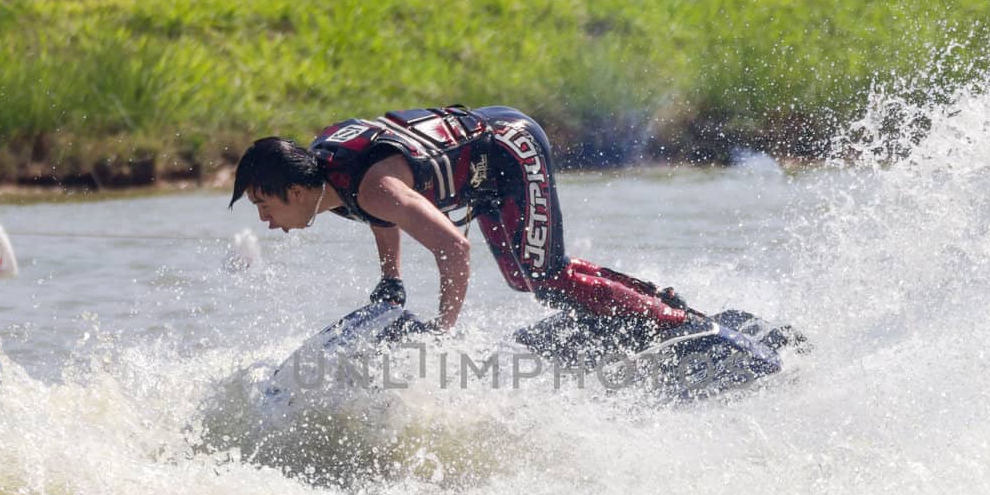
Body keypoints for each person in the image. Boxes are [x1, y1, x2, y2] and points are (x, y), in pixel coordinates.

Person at [229, 105, 698, 339]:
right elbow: (379, 213)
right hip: (481, 174)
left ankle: (672, 323)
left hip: (509, 147)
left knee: (545, 276)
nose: (267, 221)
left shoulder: (370, 189)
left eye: (263, 205)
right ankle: (641, 306)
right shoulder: (322, 178)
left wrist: (441, 332)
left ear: (294, 191)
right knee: (527, 278)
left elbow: (454, 248)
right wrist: (390, 278)